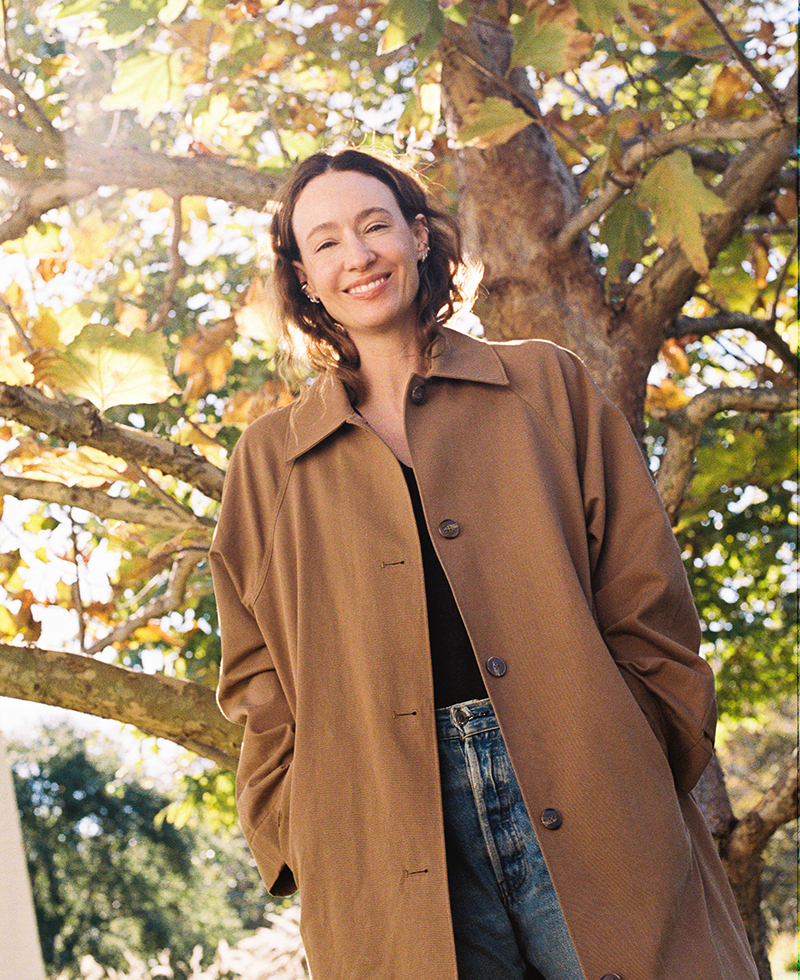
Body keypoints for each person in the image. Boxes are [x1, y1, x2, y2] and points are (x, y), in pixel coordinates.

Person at [210, 148, 759, 980]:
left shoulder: (544, 386)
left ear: (419, 238)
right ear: (302, 277)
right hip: (381, 834)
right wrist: (296, 832)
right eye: (325, 242)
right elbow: (257, 682)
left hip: (594, 789)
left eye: (374, 226)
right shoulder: (267, 462)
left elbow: (649, 598)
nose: (356, 255)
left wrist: (638, 751)